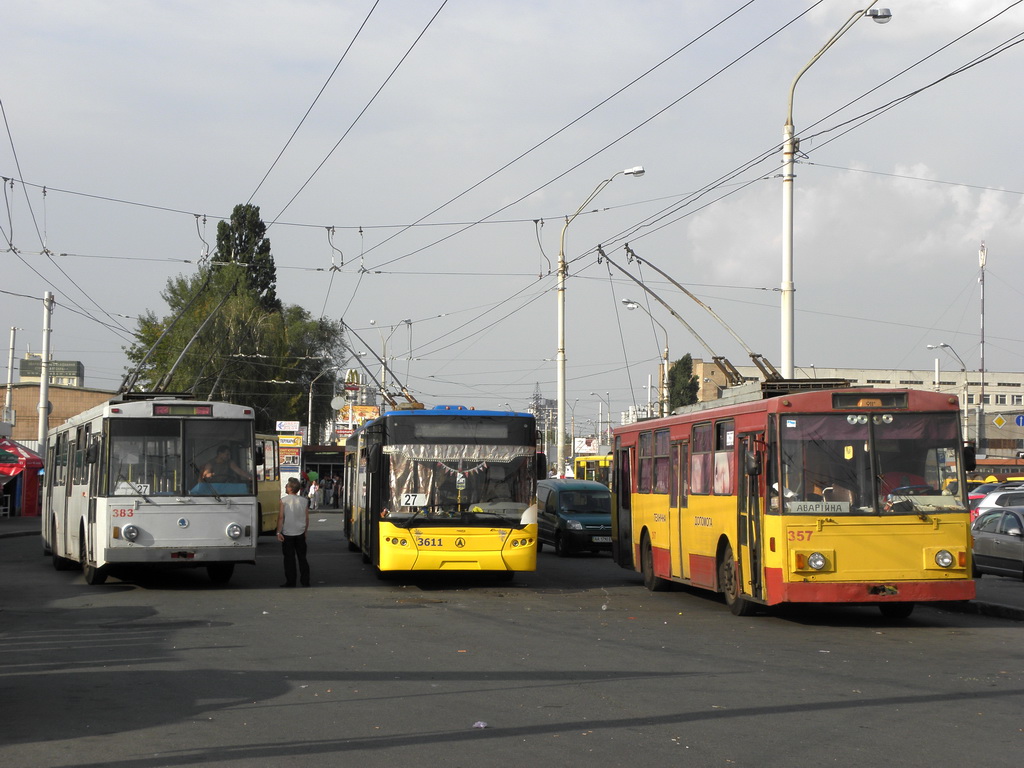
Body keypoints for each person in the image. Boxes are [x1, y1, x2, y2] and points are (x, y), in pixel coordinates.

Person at [277, 478, 310, 587]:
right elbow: (306, 518)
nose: (285, 487)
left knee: (289, 559)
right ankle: (305, 581)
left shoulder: (283, 501)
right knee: (302, 558)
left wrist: (278, 532)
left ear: (290, 488)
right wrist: (305, 531)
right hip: (300, 532)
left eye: (287, 486)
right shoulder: (304, 501)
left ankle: (291, 581)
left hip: (288, 533)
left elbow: (281, 517)